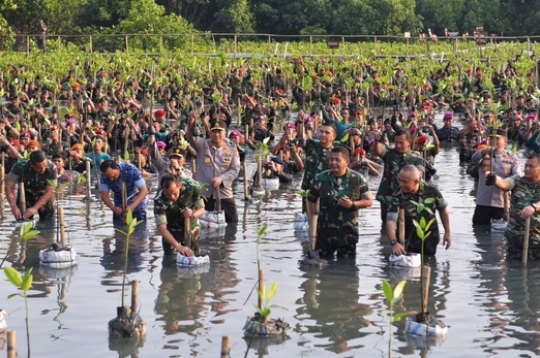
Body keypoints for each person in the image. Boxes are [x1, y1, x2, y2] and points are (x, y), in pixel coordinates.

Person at [307, 146, 373, 257]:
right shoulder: (321, 178)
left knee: (348, 268)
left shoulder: (357, 178)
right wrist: (311, 222)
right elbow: (310, 199)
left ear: (347, 161)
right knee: (323, 267)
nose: (333, 162)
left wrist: (352, 204)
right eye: (331, 159)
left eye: (337, 160)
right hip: (324, 232)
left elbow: (369, 201)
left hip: (348, 232)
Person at [386, 165, 451, 256]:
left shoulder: (431, 191)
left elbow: (443, 210)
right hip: (408, 242)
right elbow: (390, 221)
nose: (401, 184)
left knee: (429, 265)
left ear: (416, 181)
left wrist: (447, 232)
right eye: (399, 180)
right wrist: (394, 243)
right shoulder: (398, 195)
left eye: (405, 182)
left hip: (430, 239)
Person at [187, 114, 240, 223]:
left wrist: (221, 179)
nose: (216, 134)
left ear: (225, 133)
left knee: (233, 222)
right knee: (201, 225)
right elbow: (191, 137)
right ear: (210, 132)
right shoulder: (202, 145)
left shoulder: (232, 149)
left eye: (219, 131)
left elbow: (235, 169)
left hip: (224, 192)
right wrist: (192, 123)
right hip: (203, 193)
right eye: (214, 131)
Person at [486, 153, 540, 259]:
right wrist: (493, 178)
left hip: (536, 242)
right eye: (526, 166)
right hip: (514, 239)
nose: (527, 169)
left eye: (531, 166)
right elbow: (504, 184)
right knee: (512, 270)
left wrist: (533, 207)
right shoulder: (518, 180)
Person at [371, 127, 426, 225]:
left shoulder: (416, 158)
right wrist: (377, 140)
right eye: (396, 142)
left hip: (407, 198)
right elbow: (378, 151)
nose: (398, 145)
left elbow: (419, 173)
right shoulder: (389, 153)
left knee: (407, 226)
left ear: (409, 142)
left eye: (401, 142)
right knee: (386, 225)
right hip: (387, 196)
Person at [471, 128, 520, 225]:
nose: (494, 141)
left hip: (501, 204)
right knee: (479, 233)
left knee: (499, 236)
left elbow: (518, 176)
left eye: (497, 139)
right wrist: (484, 151)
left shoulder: (511, 158)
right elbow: (473, 159)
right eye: (491, 138)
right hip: (483, 202)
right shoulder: (483, 155)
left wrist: (504, 183)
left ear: (505, 141)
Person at [154, 175, 206, 257]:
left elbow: (202, 209)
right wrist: (178, 246)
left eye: (175, 193)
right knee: (170, 261)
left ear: (180, 186)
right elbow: (162, 229)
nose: (172, 197)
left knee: (194, 256)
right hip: (171, 232)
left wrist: (192, 214)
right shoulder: (159, 201)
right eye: (168, 194)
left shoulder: (192, 187)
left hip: (191, 228)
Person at [5, 150, 57, 220]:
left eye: (45, 166)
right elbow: (9, 187)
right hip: (26, 193)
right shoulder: (19, 167)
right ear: (32, 165)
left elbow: (50, 191)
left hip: (44, 194)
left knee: (48, 220)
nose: (43, 169)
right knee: (22, 219)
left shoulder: (52, 167)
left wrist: (35, 208)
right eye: (39, 168)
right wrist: (13, 206)